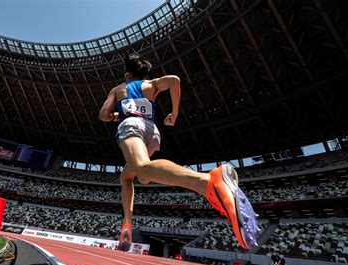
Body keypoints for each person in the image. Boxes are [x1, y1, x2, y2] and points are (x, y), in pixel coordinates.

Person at [99, 53, 258, 252]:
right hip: (151, 130)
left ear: (127, 74)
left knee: (142, 169)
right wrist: (174, 114)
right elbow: (174, 80)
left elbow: (103, 115)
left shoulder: (118, 88)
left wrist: (116, 115)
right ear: (145, 74)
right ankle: (127, 223)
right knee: (130, 177)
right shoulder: (151, 85)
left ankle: (207, 181)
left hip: (130, 124)